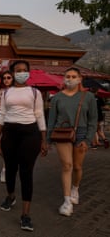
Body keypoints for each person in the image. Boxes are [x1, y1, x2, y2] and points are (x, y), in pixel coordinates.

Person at [0, 60, 47, 232]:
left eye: (25, 70)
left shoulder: (35, 92)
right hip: (9, 132)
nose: (22, 73)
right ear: (12, 72)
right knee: (10, 169)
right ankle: (10, 196)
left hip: (30, 134)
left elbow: (40, 115)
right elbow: (2, 114)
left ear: (29, 73)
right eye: (18, 70)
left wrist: (44, 139)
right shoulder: (6, 92)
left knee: (26, 172)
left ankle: (25, 215)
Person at [47, 67, 98, 217]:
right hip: (62, 133)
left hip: (82, 133)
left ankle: (75, 187)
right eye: (67, 76)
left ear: (80, 79)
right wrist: (48, 140)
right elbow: (51, 120)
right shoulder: (56, 98)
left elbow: (93, 120)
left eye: (73, 76)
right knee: (67, 165)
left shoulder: (87, 97)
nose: (70, 79)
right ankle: (67, 201)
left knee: (77, 166)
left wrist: (88, 139)